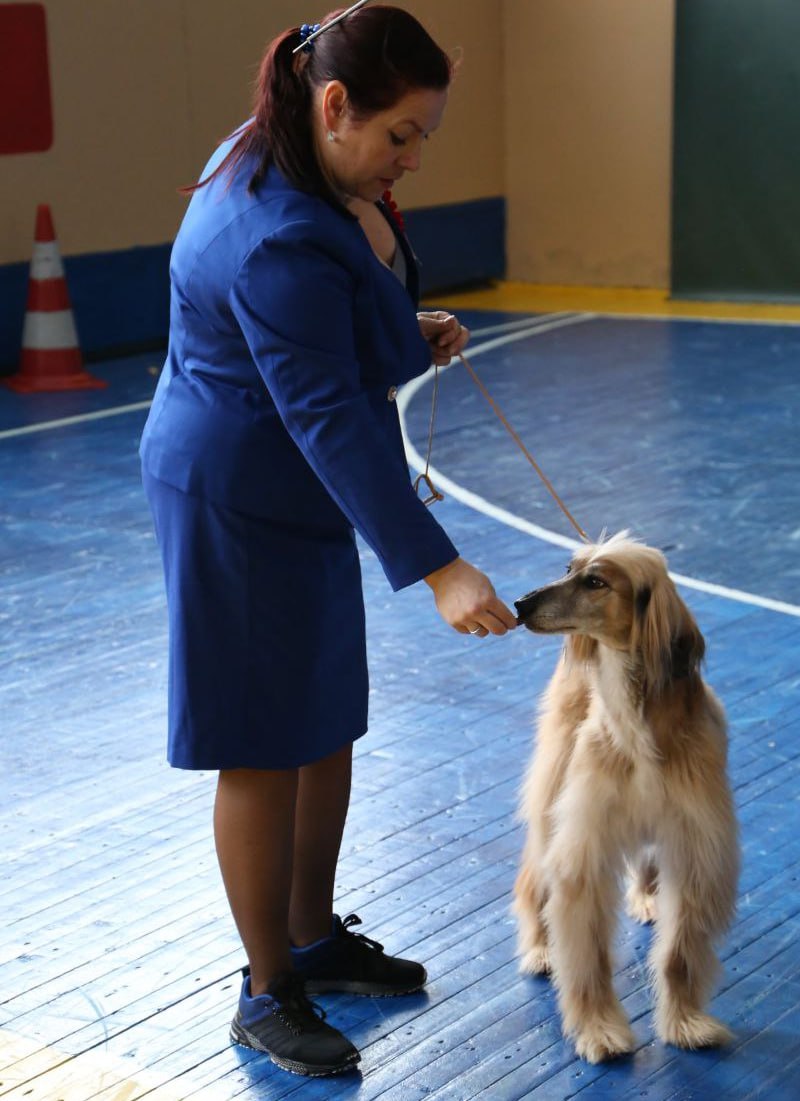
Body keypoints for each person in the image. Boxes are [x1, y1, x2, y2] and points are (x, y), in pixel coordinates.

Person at [140, 1, 517, 1078]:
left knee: (324, 720)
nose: (409, 157)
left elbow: (331, 325)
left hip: (296, 493)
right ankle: (267, 990)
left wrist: (400, 331)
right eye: (400, 135)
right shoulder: (269, 235)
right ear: (336, 104)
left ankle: (313, 933)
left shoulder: (297, 151)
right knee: (259, 744)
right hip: (234, 495)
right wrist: (438, 567)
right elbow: (324, 414)